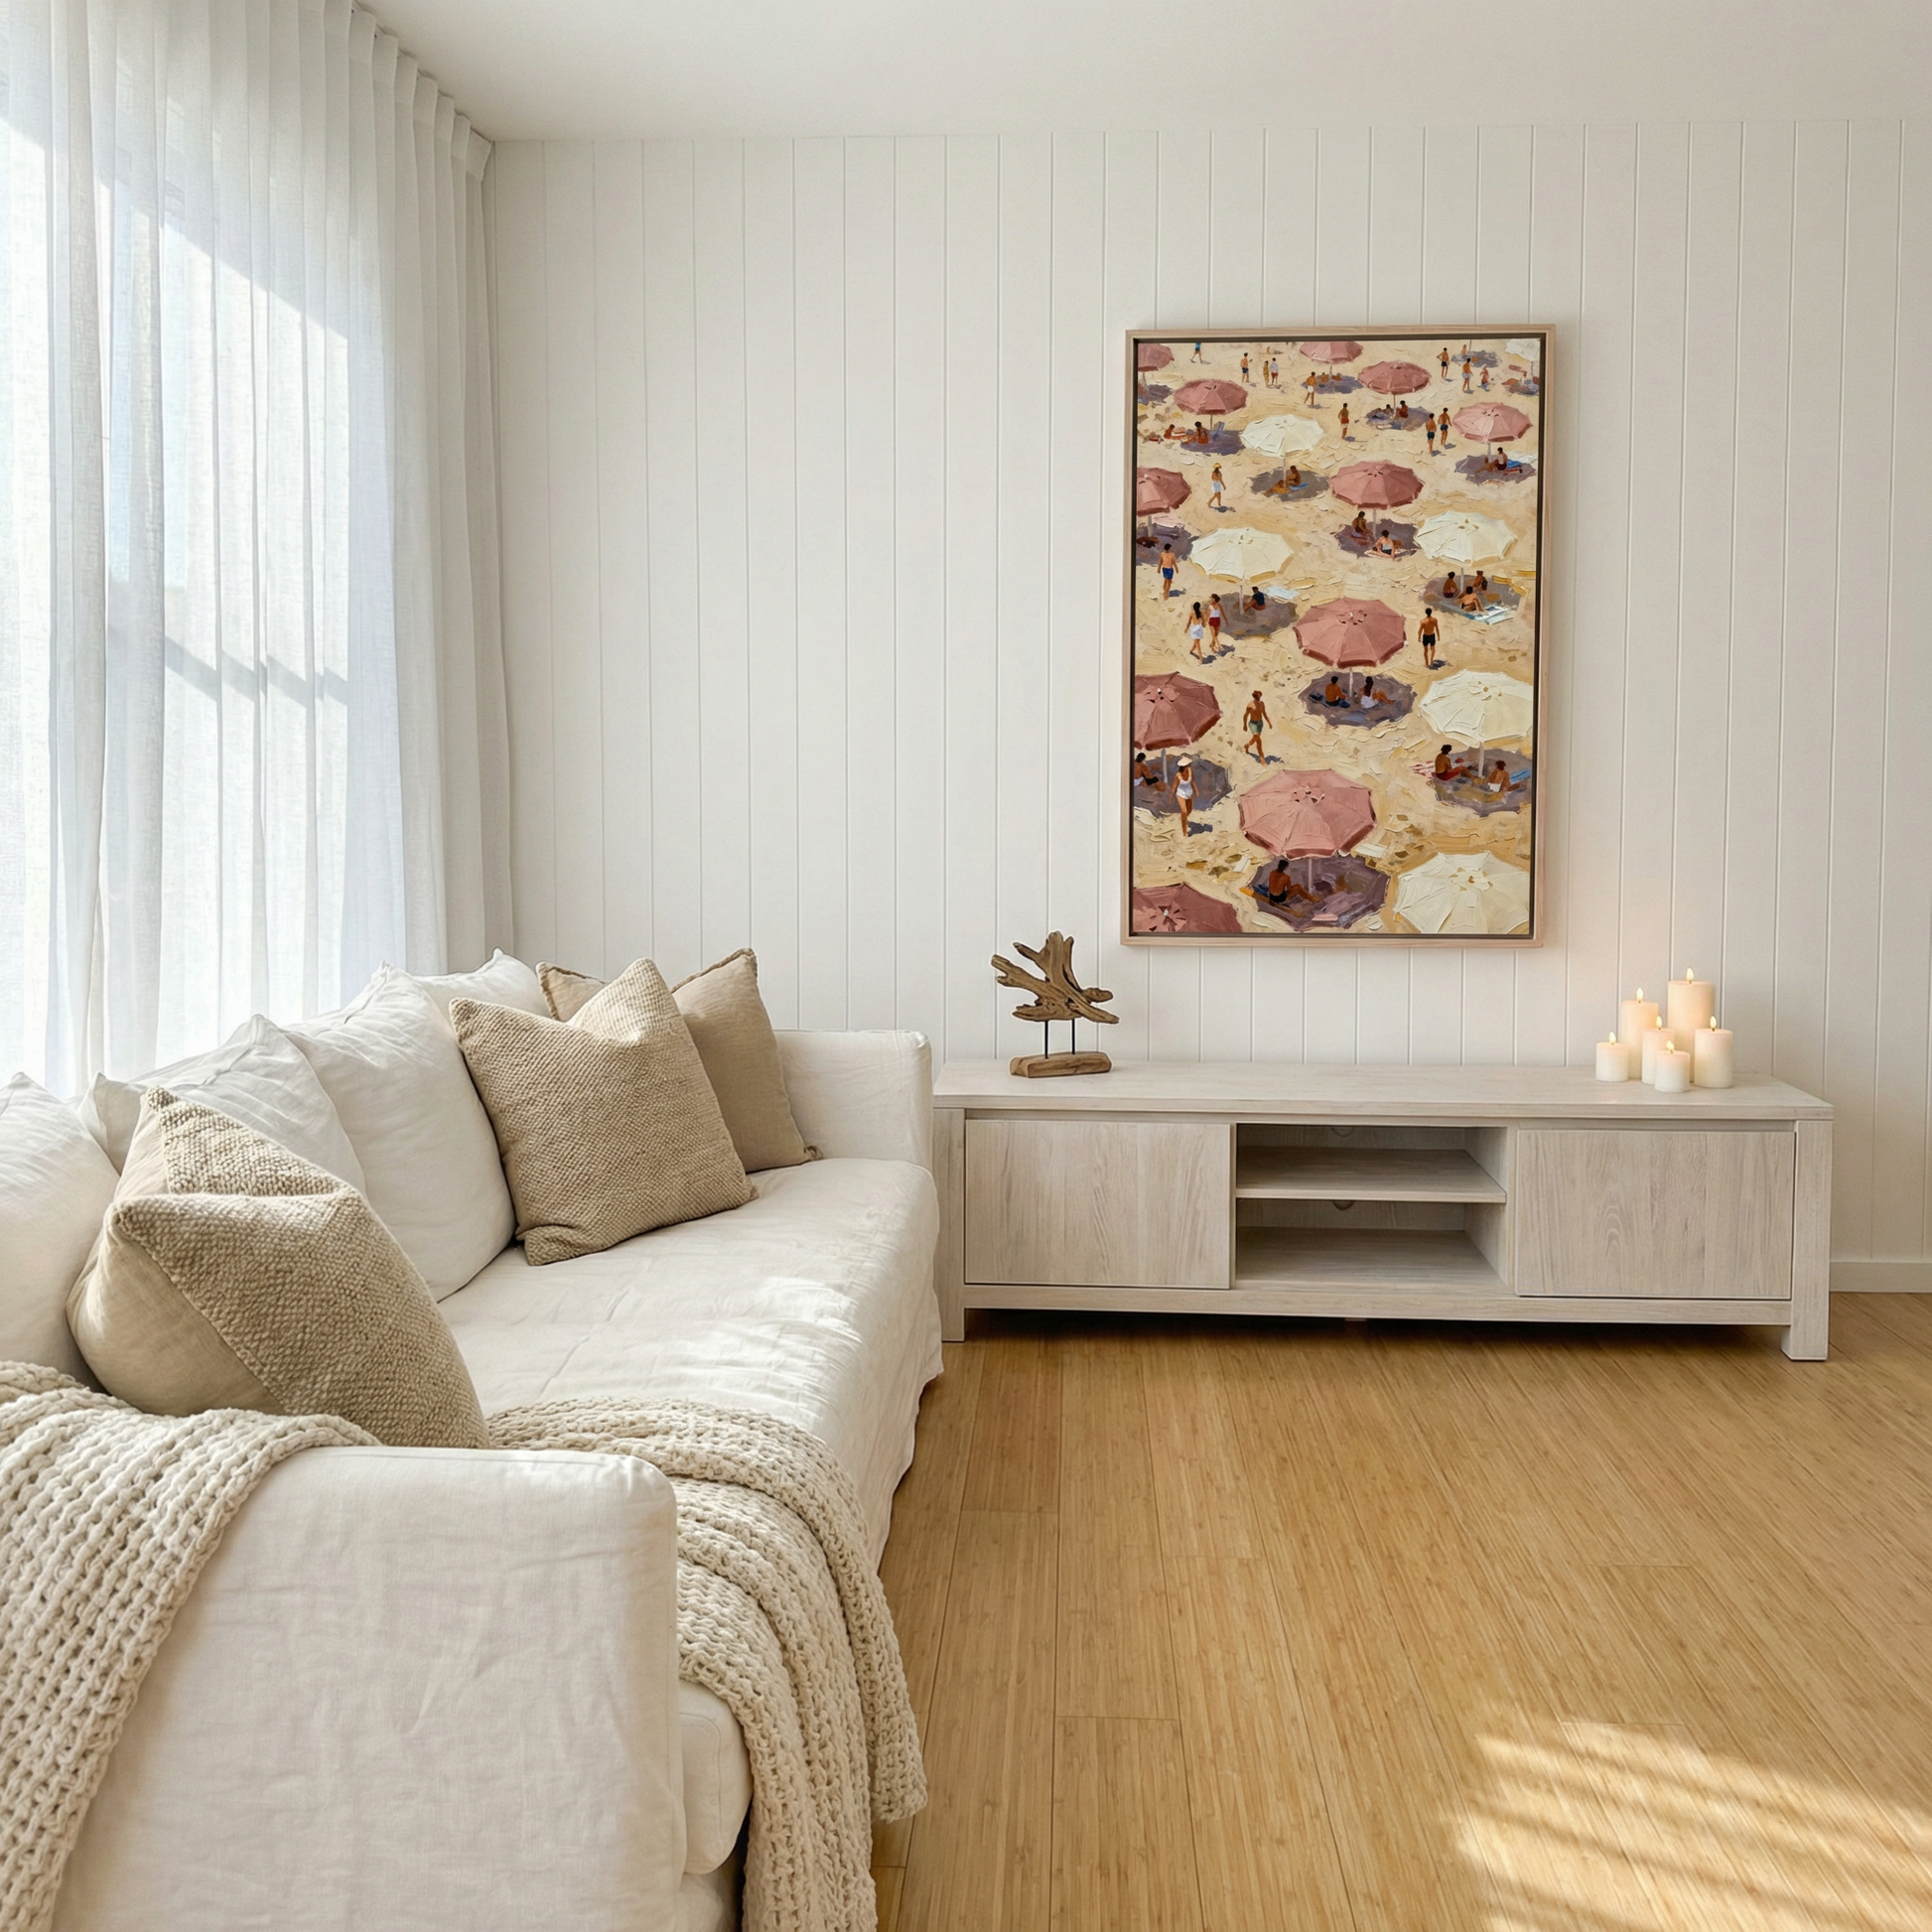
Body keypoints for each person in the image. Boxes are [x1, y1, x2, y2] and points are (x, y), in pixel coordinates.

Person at [1243, 689, 1271, 760]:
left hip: (1260, 723)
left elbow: (1264, 714)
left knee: (1255, 738)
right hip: (1253, 724)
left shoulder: (1262, 703)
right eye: (1259, 694)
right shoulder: (1250, 705)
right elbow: (1245, 715)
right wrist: (1245, 725)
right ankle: (1262, 758)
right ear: (1255, 695)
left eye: (1260, 694)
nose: (1260, 695)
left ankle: (1247, 745)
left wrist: (1269, 722)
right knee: (1258, 738)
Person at [1174, 757, 1197, 835]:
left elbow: (1192, 781)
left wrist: (1196, 790)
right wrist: (1171, 796)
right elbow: (1174, 786)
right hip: (1180, 793)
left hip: (1189, 792)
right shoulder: (1178, 775)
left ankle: (1184, 820)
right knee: (1184, 811)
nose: (1190, 766)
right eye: (1189, 765)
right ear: (1185, 767)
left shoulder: (1190, 771)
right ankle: (1184, 832)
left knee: (1189, 810)